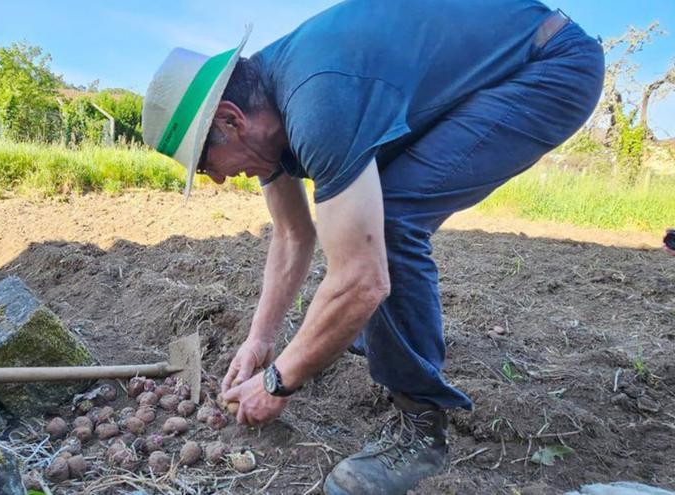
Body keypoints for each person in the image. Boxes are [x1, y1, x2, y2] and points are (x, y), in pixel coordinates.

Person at [141, 1, 604, 493]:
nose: (215, 179)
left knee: (391, 224)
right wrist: (260, 339)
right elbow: (293, 233)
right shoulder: (266, 113)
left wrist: (280, 379)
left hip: (547, 65)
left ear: (231, 121)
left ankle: (419, 429)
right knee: (375, 232)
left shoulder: (317, 100)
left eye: (206, 163)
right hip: (497, 69)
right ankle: (369, 335)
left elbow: (363, 277)